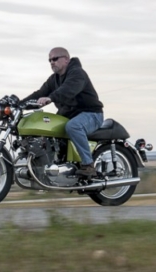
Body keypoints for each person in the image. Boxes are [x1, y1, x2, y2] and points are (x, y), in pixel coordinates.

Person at [21, 47, 104, 177]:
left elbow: (68, 89)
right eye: (49, 60)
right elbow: (39, 93)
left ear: (66, 59)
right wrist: (19, 105)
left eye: (55, 59)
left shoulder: (77, 73)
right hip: (69, 115)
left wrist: (51, 98)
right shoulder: (53, 79)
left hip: (91, 114)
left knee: (73, 126)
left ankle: (88, 165)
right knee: (47, 128)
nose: (52, 62)